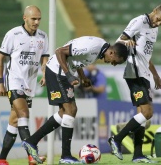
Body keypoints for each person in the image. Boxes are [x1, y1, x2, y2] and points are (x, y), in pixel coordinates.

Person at [22, 36, 129, 164]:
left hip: (61, 72)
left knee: (64, 112)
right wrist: (68, 75)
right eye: (115, 61)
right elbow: (60, 52)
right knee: (71, 109)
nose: (113, 64)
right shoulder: (93, 47)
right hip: (58, 72)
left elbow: (77, 60)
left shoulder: (99, 50)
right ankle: (65, 156)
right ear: (112, 53)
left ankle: (31, 142)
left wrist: (83, 77)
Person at [108, 4, 161, 163]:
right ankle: (117, 139)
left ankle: (137, 155)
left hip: (144, 73)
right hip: (133, 71)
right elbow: (118, 42)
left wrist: (155, 74)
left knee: (142, 115)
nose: (158, 24)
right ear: (155, 11)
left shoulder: (154, 30)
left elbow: (146, 55)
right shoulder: (139, 21)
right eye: (158, 19)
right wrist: (127, 41)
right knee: (148, 113)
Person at [0, 5, 49, 165]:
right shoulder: (13, 34)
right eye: (33, 18)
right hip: (14, 81)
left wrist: (45, 73)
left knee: (14, 122)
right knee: (24, 115)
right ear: (25, 18)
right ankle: (32, 155)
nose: (37, 22)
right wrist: (0, 82)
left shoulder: (43, 37)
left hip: (30, 84)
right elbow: (0, 59)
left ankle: (1, 160)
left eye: (39, 19)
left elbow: (44, 58)